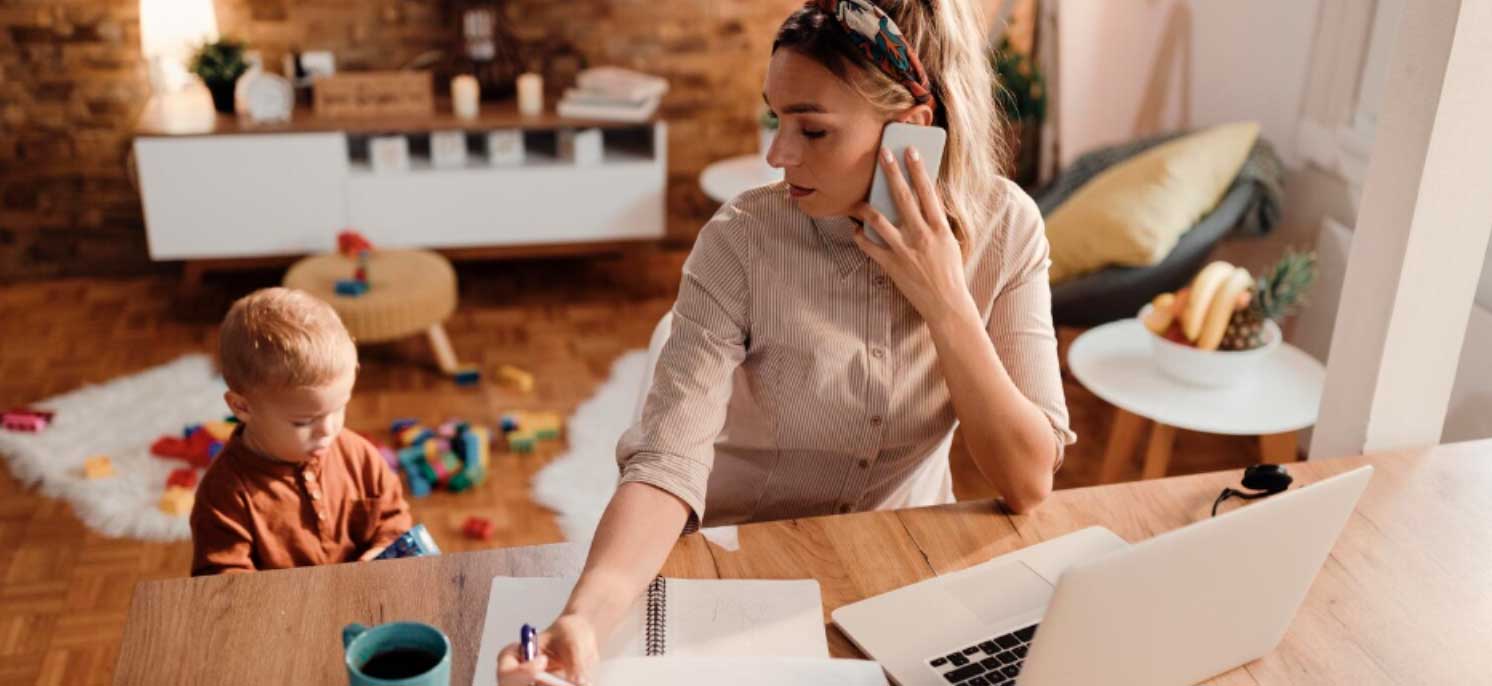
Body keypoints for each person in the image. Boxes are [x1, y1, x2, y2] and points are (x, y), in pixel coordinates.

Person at [499, 0, 1073, 681]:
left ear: (909, 133)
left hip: (904, 570)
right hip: (742, 565)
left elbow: (1028, 482)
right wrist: (583, 619)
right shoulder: (741, 241)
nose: (777, 153)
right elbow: (664, 465)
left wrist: (946, 301)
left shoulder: (1007, 230)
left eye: (813, 129)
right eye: (778, 118)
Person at [190, 287, 412, 575]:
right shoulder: (224, 495)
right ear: (242, 407)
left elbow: (393, 519)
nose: (328, 430)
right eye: (303, 422)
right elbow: (221, 582)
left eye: (338, 408)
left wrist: (382, 551)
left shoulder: (358, 455)